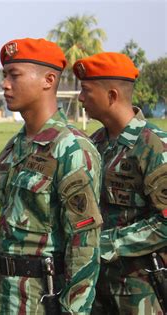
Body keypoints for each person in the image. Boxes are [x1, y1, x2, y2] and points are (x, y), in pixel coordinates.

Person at [0, 38, 103, 314]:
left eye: (14, 75)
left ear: (48, 80)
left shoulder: (72, 148)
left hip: (45, 298)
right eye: (5, 75)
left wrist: (73, 310)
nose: (5, 84)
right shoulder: (13, 148)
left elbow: (84, 243)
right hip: (6, 296)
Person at [74, 52, 167, 314]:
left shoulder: (154, 147)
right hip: (96, 287)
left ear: (112, 96)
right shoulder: (95, 143)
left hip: (142, 293)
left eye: (86, 90)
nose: (81, 98)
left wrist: (107, 244)